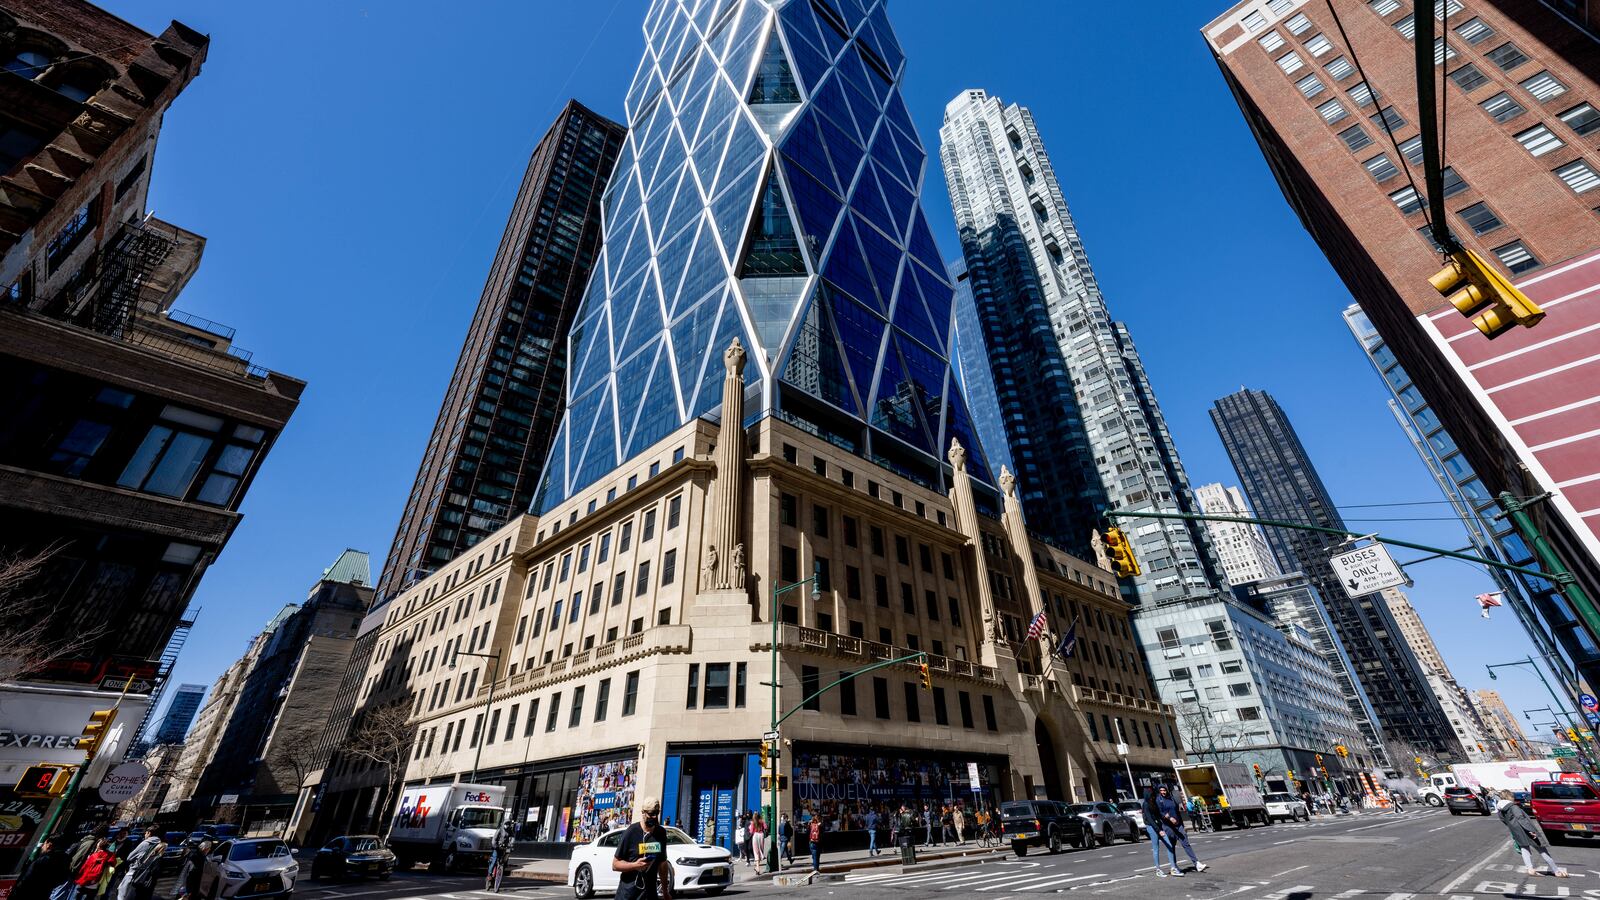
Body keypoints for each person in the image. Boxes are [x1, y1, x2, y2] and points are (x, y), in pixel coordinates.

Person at [611, 796, 673, 900]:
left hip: (650, 894)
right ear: (643, 812)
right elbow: (615, 864)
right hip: (629, 894)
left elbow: (662, 864)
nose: (653, 817)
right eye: (650, 814)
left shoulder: (661, 833)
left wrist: (665, 891)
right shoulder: (631, 832)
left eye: (656, 813)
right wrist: (635, 865)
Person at [1495, 789, 1567, 877]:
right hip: (1526, 830)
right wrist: (1531, 831)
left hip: (1516, 832)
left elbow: (1504, 821)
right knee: (1542, 849)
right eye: (1512, 796)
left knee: (1524, 849)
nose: (1514, 798)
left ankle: (1530, 869)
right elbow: (1521, 819)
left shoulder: (1500, 810)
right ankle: (1556, 871)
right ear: (1509, 797)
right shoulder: (1513, 807)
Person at [1155, 785, 1208, 876]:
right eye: (1161, 790)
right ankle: (1174, 866)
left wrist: (1182, 825)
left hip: (1178, 825)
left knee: (1186, 843)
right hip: (1168, 826)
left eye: (1164, 790)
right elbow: (1160, 812)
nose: (1163, 792)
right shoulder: (1158, 800)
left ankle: (1197, 863)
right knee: (1172, 846)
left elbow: (1177, 811)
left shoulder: (1171, 798)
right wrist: (1169, 818)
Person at [13, 835, 70, 900]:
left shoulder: (42, 860)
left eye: (44, 843)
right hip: (44, 894)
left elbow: (26, 880)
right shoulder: (64, 860)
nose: (42, 846)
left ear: (49, 845)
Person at [116, 830, 164, 900]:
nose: (145, 834)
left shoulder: (145, 843)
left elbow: (130, 857)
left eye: (145, 833)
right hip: (146, 876)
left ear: (149, 833)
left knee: (122, 892)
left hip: (134, 872)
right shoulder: (160, 845)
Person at [1141, 787, 1177, 877]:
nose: (1152, 797)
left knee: (1169, 845)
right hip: (1152, 827)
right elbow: (1149, 819)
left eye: (1153, 795)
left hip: (1159, 826)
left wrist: (1167, 817)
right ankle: (1158, 869)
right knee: (1156, 848)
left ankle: (1173, 868)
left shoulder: (1154, 802)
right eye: (1151, 795)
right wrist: (1159, 830)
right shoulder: (1145, 804)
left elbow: (1158, 814)